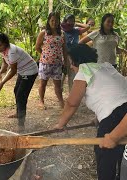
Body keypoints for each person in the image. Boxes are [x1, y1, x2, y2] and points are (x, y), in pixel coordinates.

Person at [54, 44, 127, 180]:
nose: (71, 67)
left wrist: (61, 124)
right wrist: (98, 118)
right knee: (121, 151)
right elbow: (109, 92)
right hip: (125, 114)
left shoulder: (84, 70)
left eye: (71, 63)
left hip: (113, 117)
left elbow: (72, 103)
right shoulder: (106, 66)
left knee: (104, 154)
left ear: (77, 61)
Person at [0, 33, 38, 131]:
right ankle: (18, 113)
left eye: (0, 45)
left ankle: (21, 124)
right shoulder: (3, 51)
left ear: (5, 43)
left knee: (21, 95)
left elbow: (13, 70)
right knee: (16, 90)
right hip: (23, 70)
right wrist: (0, 73)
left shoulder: (12, 52)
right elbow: (5, 64)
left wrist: (3, 82)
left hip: (30, 71)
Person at [35, 12, 67, 109]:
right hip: (45, 63)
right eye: (52, 20)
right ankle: (41, 101)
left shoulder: (62, 34)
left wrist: (65, 61)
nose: (54, 22)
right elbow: (37, 47)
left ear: (59, 22)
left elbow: (64, 49)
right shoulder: (43, 33)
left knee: (58, 84)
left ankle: (61, 101)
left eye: (56, 20)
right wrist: (45, 55)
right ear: (48, 21)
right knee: (43, 83)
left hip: (57, 64)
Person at [61, 14, 91, 91]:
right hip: (64, 55)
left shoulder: (76, 30)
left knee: (72, 75)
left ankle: (71, 92)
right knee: (63, 73)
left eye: (72, 21)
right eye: (69, 20)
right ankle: (60, 89)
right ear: (65, 21)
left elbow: (87, 27)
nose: (70, 22)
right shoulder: (62, 30)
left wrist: (77, 24)